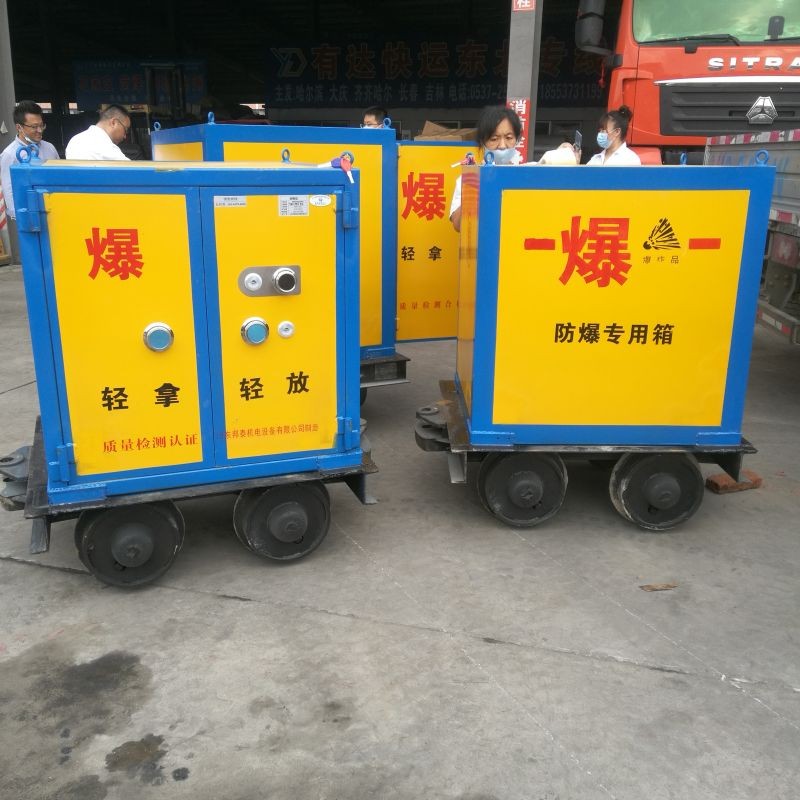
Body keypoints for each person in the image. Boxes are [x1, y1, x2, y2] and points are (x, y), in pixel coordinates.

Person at [449, 105, 523, 233]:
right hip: (484, 243)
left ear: (517, 139)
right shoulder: (469, 178)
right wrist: (475, 188)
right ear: (482, 142)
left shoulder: (526, 174)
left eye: (509, 138)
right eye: (494, 139)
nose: (502, 146)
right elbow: (457, 225)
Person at [1, 100, 60, 220]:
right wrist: (21, 218)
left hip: (54, 209)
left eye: (41, 125)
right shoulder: (10, 154)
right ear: (19, 127)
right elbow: (9, 190)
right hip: (30, 215)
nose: (40, 130)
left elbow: (59, 176)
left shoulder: (49, 147)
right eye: (34, 127)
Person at [65, 104, 131, 160]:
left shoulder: (74, 140)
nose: (125, 136)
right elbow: (131, 169)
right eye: (125, 130)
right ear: (114, 123)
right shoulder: (105, 146)